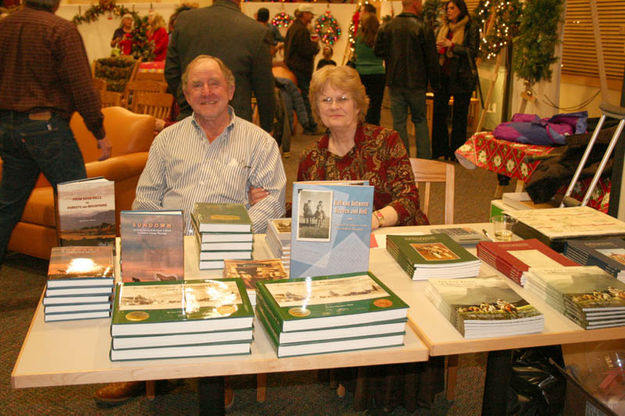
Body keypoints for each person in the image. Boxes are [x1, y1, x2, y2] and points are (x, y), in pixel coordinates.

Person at [94, 55, 285, 406]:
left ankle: (219, 368)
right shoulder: (167, 141)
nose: (207, 91)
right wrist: (156, 240)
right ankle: (143, 370)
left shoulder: (259, 142)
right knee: (135, 281)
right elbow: (147, 200)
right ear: (185, 92)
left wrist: (229, 235)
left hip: (231, 249)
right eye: (197, 85)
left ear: (231, 89)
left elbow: (272, 203)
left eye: (214, 83)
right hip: (172, 245)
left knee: (225, 285)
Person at [0, 0, 112, 267]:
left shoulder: (4, 26)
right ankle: (88, 282)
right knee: (82, 207)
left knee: (7, 208)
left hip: (8, 127)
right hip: (47, 128)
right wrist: (98, 130)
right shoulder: (60, 29)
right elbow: (81, 86)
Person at [297, 65, 428, 229]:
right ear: (317, 108)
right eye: (326, 100)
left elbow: (409, 199)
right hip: (339, 244)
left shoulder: (386, 141)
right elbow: (304, 213)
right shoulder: (310, 156)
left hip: (393, 236)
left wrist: (375, 219)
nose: (334, 106)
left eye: (343, 99)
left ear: (357, 105)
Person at [165, 0, 275, 133]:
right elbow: (265, 90)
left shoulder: (185, 21)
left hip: (190, 119)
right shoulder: (257, 32)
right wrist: (267, 129)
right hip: (235, 126)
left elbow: (171, 73)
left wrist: (190, 101)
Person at [374, 0, 440, 159]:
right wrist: (436, 83)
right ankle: (424, 158)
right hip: (417, 82)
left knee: (399, 122)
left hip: (395, 80)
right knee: (420, 120)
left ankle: (402, 159)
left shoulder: (387, 27)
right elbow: (431, 59)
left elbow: (378, 51)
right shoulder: (423, 27)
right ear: (416, 4)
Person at [431, 0, 479, 160]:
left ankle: (456, 153)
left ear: (460, 9)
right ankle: (439, 150)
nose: (449, 11)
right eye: (447, 8)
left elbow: (472, 51)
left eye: (452, 8)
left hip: (461, 77)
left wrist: (452, 45)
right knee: (439, 114)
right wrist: (438, 49)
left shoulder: (470, 27)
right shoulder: (443, 27)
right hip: (443, 76)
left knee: (459, 117)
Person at [284, 4, 320, 135]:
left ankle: (307, 124)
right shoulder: (302, 30)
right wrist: (315, 46)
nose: (311, 17)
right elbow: (305, 51)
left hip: (293, 67)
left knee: (299, 97)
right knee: (304, 97)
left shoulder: (293, 28)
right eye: (310, 14)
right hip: (301, 68)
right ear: (304, 14)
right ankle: (309, 125)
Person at [353, 11, 385, 125]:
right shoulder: (379, 39)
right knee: (376, 105)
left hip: (361, 73)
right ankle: (374, 128)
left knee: (361, 103)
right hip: (378, 73)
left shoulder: (358, 38)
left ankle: (361, 127)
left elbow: (356, 55)